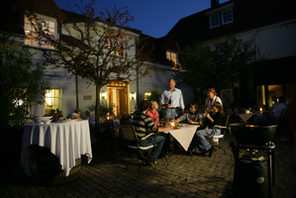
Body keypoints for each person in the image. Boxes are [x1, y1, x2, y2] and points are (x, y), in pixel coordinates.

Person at [133, 100, 166, 164]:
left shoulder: (135, 116)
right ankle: (152, 159)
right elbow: (155, 129)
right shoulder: (146, 117)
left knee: (153, 136)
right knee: (162, 138)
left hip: (134, 141)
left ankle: (148, 155)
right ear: (148, 108)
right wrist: (167, 128)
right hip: (142, 142)